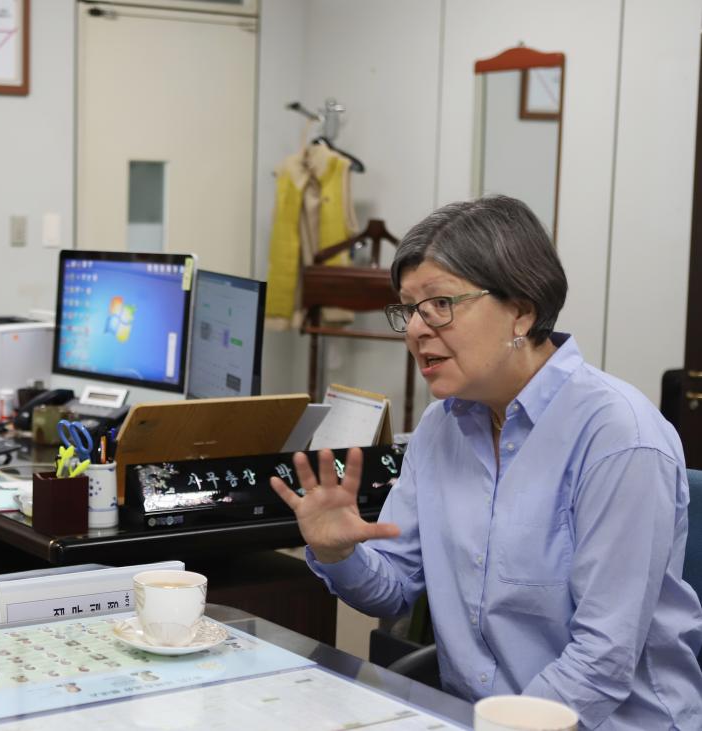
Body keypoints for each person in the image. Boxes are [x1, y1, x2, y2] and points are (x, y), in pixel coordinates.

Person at [271, 196, 702, 729]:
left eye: (439, 304)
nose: (416, 329)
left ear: (521, 310)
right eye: (407, 310)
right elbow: (394, 588)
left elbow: (601, 663)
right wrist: (337, 552)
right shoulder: (440, 426)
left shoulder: (619, 438)